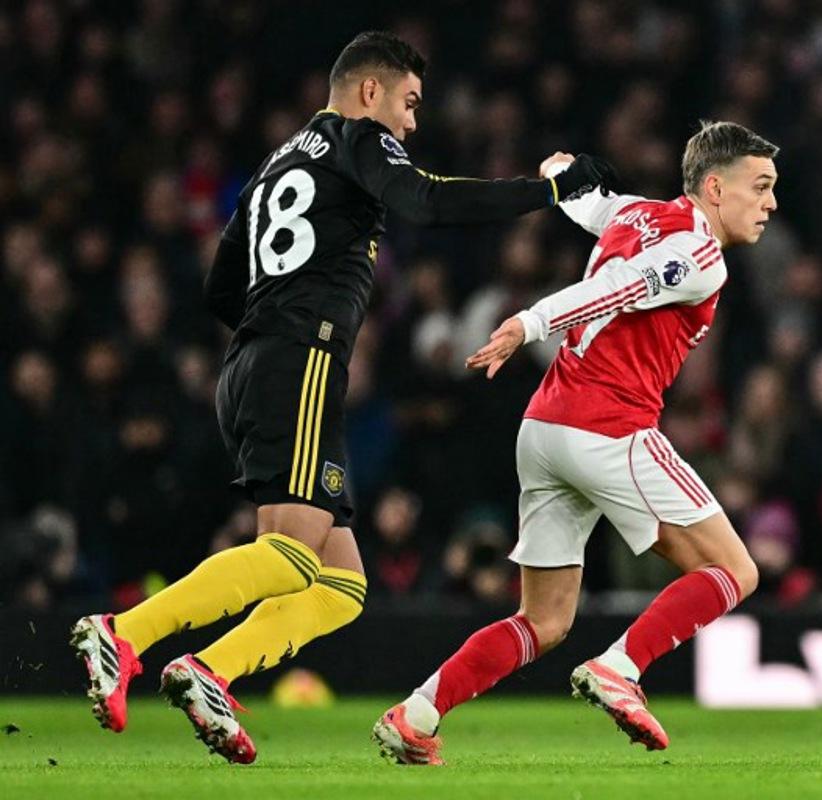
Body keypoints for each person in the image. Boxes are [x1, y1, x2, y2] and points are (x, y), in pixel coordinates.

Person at [69, 31, 614, 764]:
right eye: (409, 103)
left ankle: (210, 671)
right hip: (299, 357)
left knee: (342, 581)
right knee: (290, 553)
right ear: (369, 91)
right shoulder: (359, 138)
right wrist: (550, 189)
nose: (412, 124)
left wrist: (275, 330)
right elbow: (425, 200)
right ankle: (124, 634)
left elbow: (220, 287)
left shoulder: (273, 166)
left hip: (261, 360)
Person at [371, 120, 778, 766]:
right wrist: (529, 323)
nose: (770, 203)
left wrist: (557, 167)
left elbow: (580, 199)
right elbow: (620, 287)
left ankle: (416, 713)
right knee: (735, 569)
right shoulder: (701, 257)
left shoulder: (637, 212)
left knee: (545, 621)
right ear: (714, 185)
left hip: (544, 429)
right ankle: (622, 667)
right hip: (607, 427)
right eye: (760, 187)